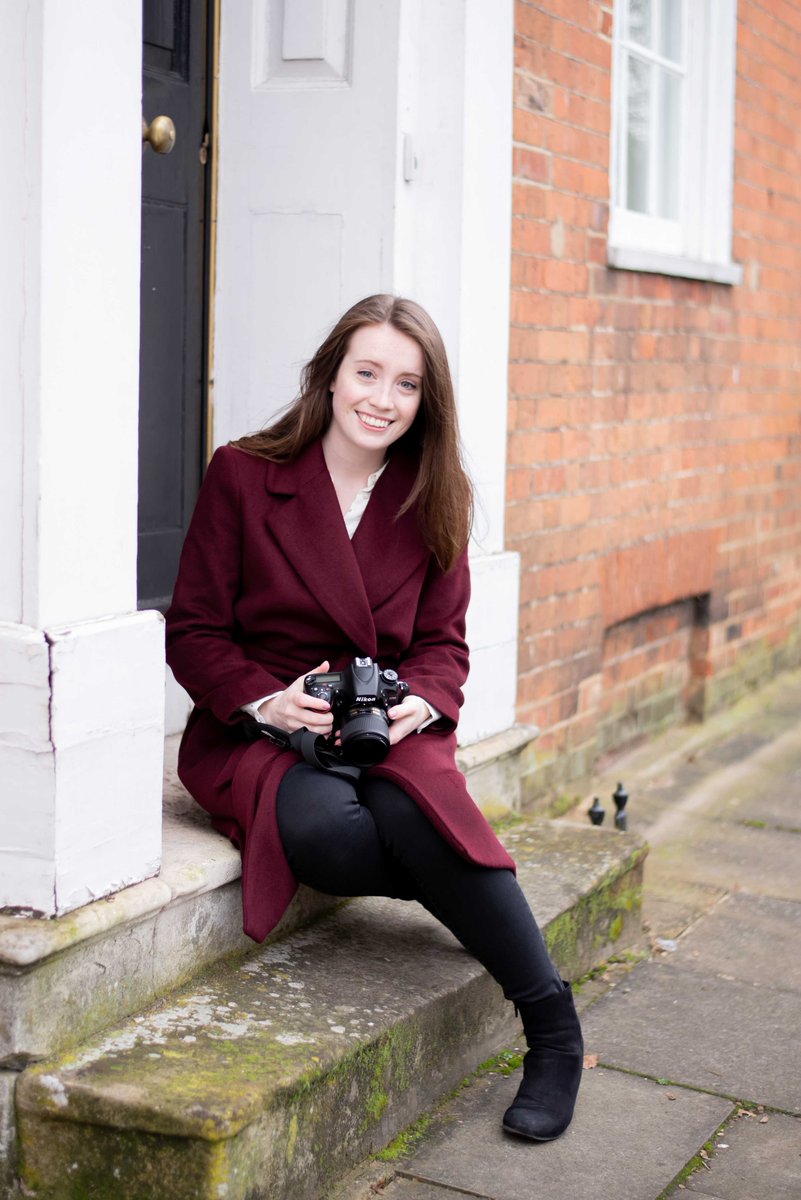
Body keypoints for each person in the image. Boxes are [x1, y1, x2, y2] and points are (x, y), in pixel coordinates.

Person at [165, 294, 583, 1141]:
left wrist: (417, 706)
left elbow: (443, 646)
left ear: (426, 400)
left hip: (385, 728)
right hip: (267, 731)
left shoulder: (436, 494)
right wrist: (264, 699)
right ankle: (469, 897)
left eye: (406, 384)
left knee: (412, 802)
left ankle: (553, 1031)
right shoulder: (244, 474)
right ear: (330, 374)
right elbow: (195, 630)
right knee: (325, 833)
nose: (381, 399)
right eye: (367, 373)